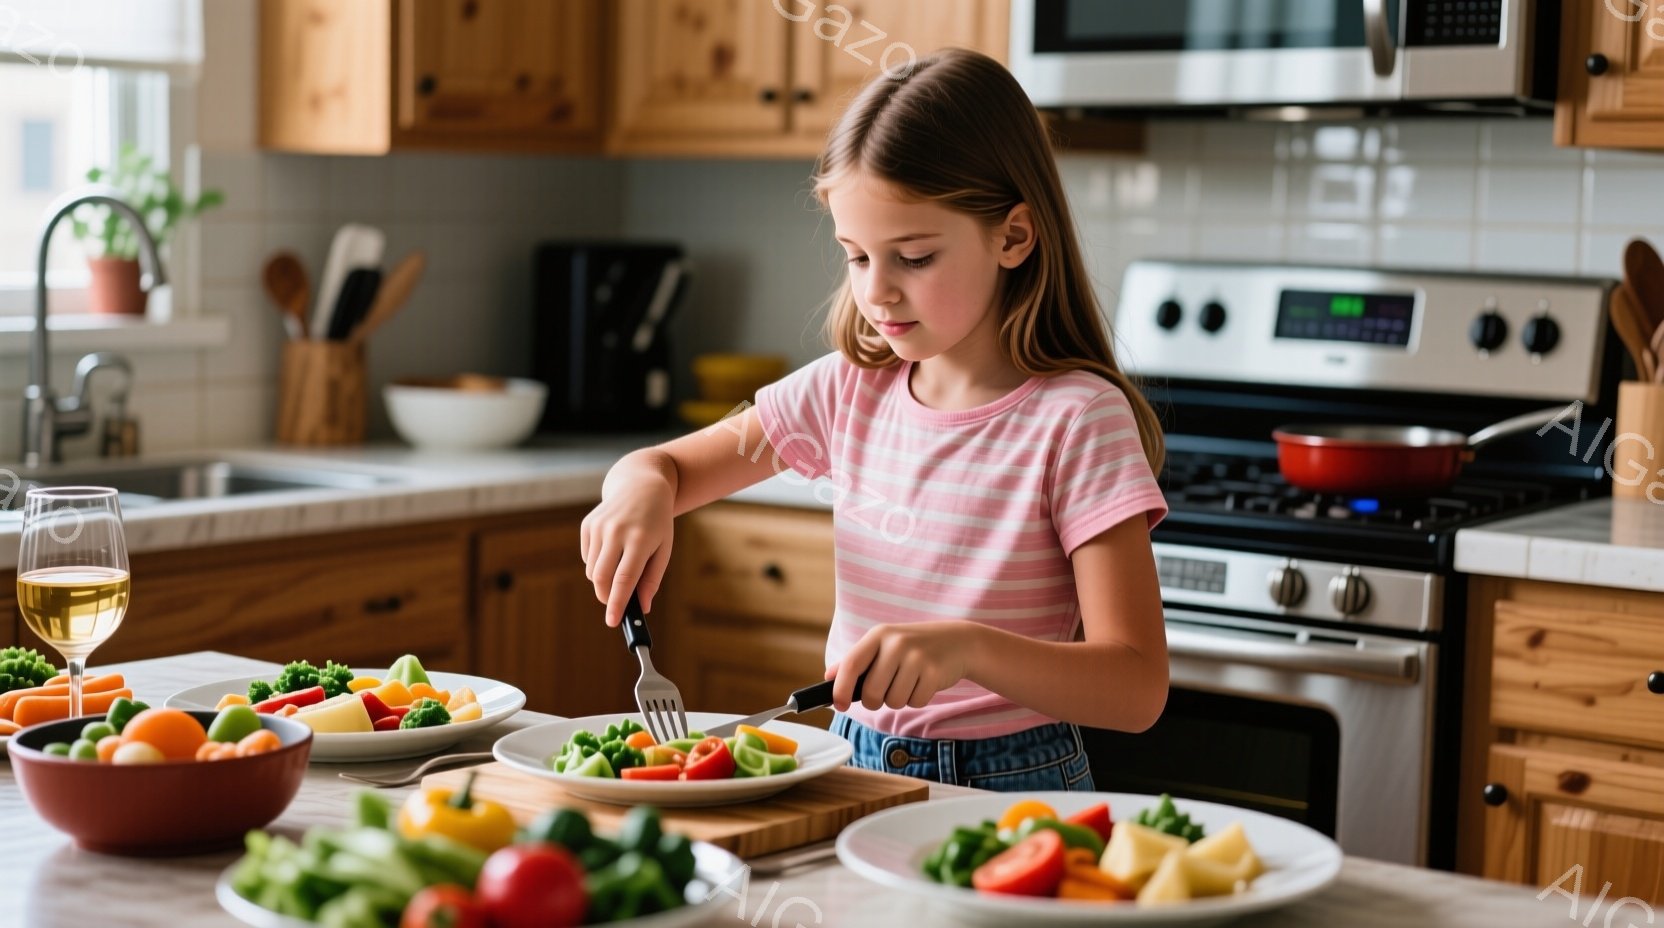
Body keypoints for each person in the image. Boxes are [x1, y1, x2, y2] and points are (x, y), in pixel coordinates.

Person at [581, 48, 1169, 791]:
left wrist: (970, 651)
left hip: (1012, 781)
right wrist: (640, 493)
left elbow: (1137, 687)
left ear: (1014, 237)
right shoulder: (849, 390)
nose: (877, 292)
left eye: (913, 257)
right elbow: (659, 466)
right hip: (850, 760)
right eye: (856, 256)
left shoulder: (1079, 420)